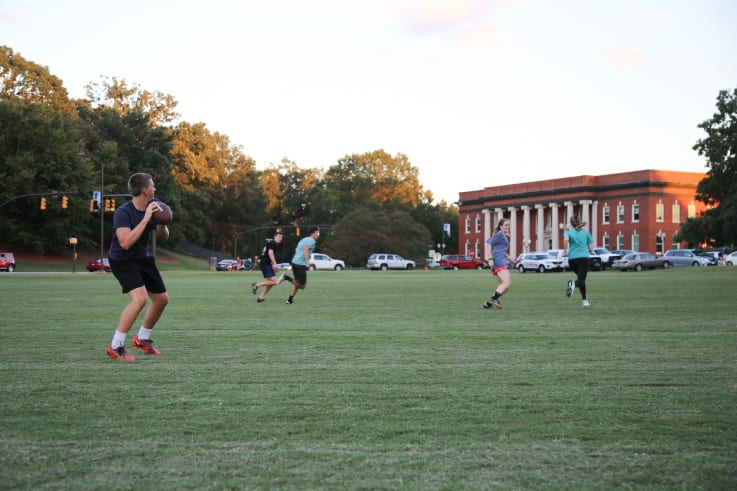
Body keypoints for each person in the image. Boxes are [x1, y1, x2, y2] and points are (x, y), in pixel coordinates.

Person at [106, 173, 170, 361]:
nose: (155, 189)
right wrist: (146, 218)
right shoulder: (123, 212)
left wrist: (161, 223)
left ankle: (142, 339)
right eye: (153, 186)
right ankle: (115, 346)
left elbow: (163, 238)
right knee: (140, 299)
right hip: (122, 259)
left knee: (162, 300)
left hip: (142, 257)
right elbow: (125, 243)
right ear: (145, 190)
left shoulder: (154, 205)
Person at [280, 226, 320, 305]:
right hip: (300, 264)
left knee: (297, 283)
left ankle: (290, 300)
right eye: (318, 233)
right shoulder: (312, 241)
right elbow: (306, 250)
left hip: (295, 262)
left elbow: (298, 250)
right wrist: (308, 262)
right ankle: (286, 277)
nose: (318, 234)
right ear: (314, 233)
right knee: (302, 286)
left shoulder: (304, 239)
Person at [484, 218, 515, 310]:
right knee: (506, 283)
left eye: (508, 225)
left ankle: (489, 303)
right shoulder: (500, 234)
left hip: (501, 260)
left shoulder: (503, 235)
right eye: (505, 225)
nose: (507, 227)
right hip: (498, 260)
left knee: (506, 286)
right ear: (501, 226)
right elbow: (489, 243)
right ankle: (493, 299)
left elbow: (502, 250)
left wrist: (511, 260)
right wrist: (490, 258)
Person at [563, 215, 594, 307]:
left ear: (571, 223)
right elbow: (591, 248)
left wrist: (565, 251)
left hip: (572, 260)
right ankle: (573, 284)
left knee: (581, 280)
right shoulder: (586, 233)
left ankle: (585, 301)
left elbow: (565, 241)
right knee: (581, 280)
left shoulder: (568, 232)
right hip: (583, 259)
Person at [251, 232, 284, 303]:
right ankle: (256, 285)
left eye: (281, 237)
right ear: (274, 237)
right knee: (275, 282)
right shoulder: (273, 243)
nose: (280, 238)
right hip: (265, 264)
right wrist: (275, 264)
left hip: (266, 264)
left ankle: (261, 298)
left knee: (271, 283)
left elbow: (266, 254)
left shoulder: (271, 243)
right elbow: (270, 253)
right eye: (279, 236)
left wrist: (272, 264)